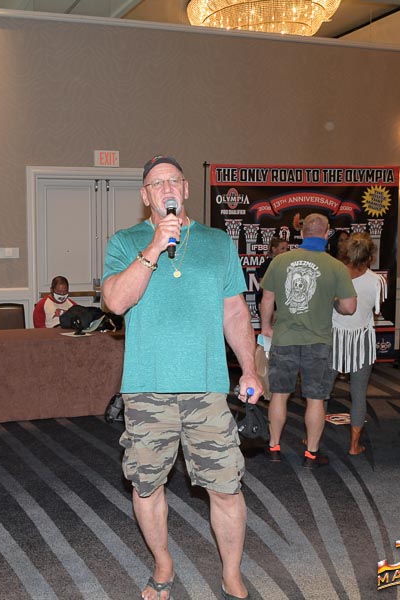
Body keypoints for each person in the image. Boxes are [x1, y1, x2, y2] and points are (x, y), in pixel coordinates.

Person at [102, 155, 262, 600]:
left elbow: (235, 312)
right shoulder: (125, 242)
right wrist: (153, 247)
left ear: (186, 188)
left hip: (207, 389)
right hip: (146, 389)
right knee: (147, 485)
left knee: (226, 486)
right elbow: (115, 302)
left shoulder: (217, 242)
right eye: (157, 183)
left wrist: (250, 367)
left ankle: (231, 573)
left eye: (173, 180)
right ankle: (162, 563)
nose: (167, 188)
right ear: (145, 195)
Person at [259, 213, 357, 468]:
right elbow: (349, 307)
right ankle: (311, 454)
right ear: (327, 233)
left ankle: (274, 447)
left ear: (301, 233)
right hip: (319, 342)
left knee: (279, 394)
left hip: (285, 338)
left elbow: (267, 299)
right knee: (315, 399)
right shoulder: (336, 266)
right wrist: (334, 302)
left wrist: (266, 327)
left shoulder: (280, 261)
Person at [326, 233, 386, 455]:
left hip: (333, 338)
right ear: (370, 256)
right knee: (359, 394)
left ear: (345, 252)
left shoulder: (334, 275)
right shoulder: (377, 281)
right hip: (362, 341)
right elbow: (375, 310)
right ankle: (354, 445)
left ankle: (311, 438)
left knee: (322, 391)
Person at [254, 236, 290, 311]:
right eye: (282, 248)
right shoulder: (267, 265)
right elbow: (262, 286)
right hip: (269, 302)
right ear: (274, 249)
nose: (286, 251)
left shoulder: (288, 265)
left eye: (287, 249)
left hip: (283, 303)